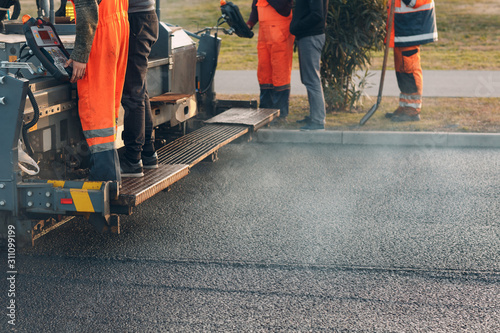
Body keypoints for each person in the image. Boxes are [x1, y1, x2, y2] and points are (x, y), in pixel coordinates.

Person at [65, 0, 129, 182]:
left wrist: (80, 54)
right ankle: (110, 172)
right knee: (109, 107)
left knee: (96, 109)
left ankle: (104, 177)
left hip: (101, 33)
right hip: (118, 25)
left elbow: (87, 7)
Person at [119, 0, 159, 177]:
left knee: (133, 93)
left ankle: (133, 160)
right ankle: (147, 153)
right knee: (139, 92)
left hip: (136, 20)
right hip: (143, 18)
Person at [385, 0, 438, 122]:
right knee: (401, 68)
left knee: (410, 69)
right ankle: (405, 105)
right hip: (402, 25)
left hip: (412, 25)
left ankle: (413, 110)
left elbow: (413, 2)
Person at [247, 0, 294, 121]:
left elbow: (284, 6)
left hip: (281, 32)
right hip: (264, 33)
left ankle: (280, 113)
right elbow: (255, 6)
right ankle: (265, 110)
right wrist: (250, 23)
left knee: (280, 72)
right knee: (264, 72)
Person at [290, 0, 328, 131]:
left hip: (311, 36)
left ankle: (318, 121)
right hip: (309, 35)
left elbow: (317, 15)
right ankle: (315, 116)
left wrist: (297, 26)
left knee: (312, 79)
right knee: (309, 79)